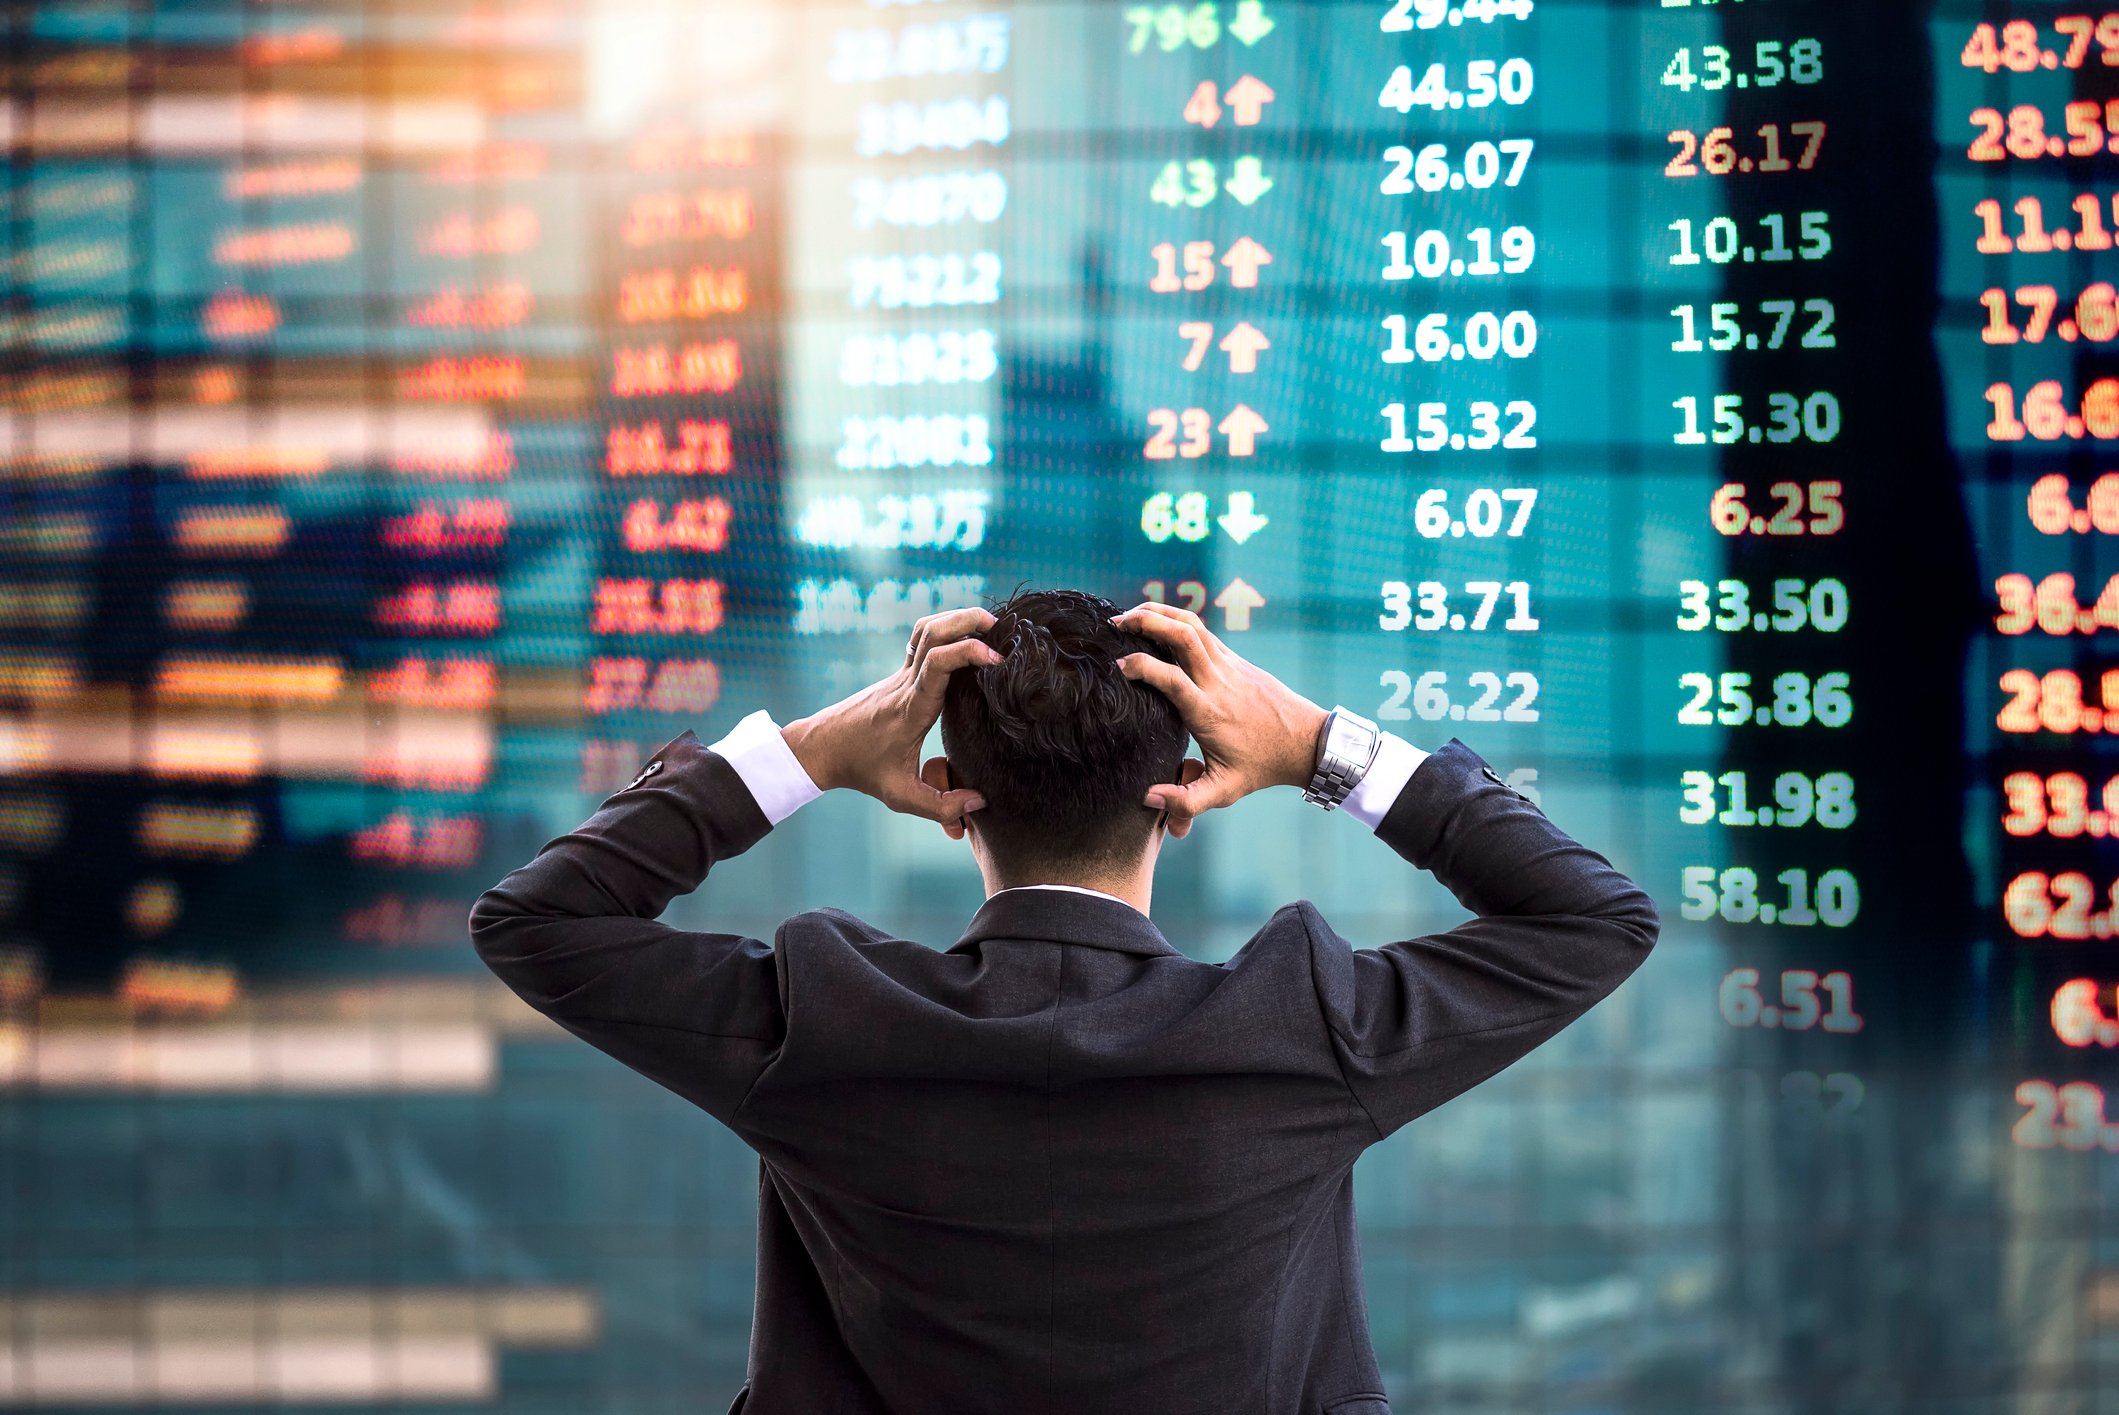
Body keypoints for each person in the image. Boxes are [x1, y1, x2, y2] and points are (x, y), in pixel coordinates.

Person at [471, 588, 1659, 1415]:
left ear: (946, 791)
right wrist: (1312, 744)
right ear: (1180, 792)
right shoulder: (1297, 1029)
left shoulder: (823, 1025)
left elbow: (537, 919)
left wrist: (817, 750)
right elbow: (1595, 917)